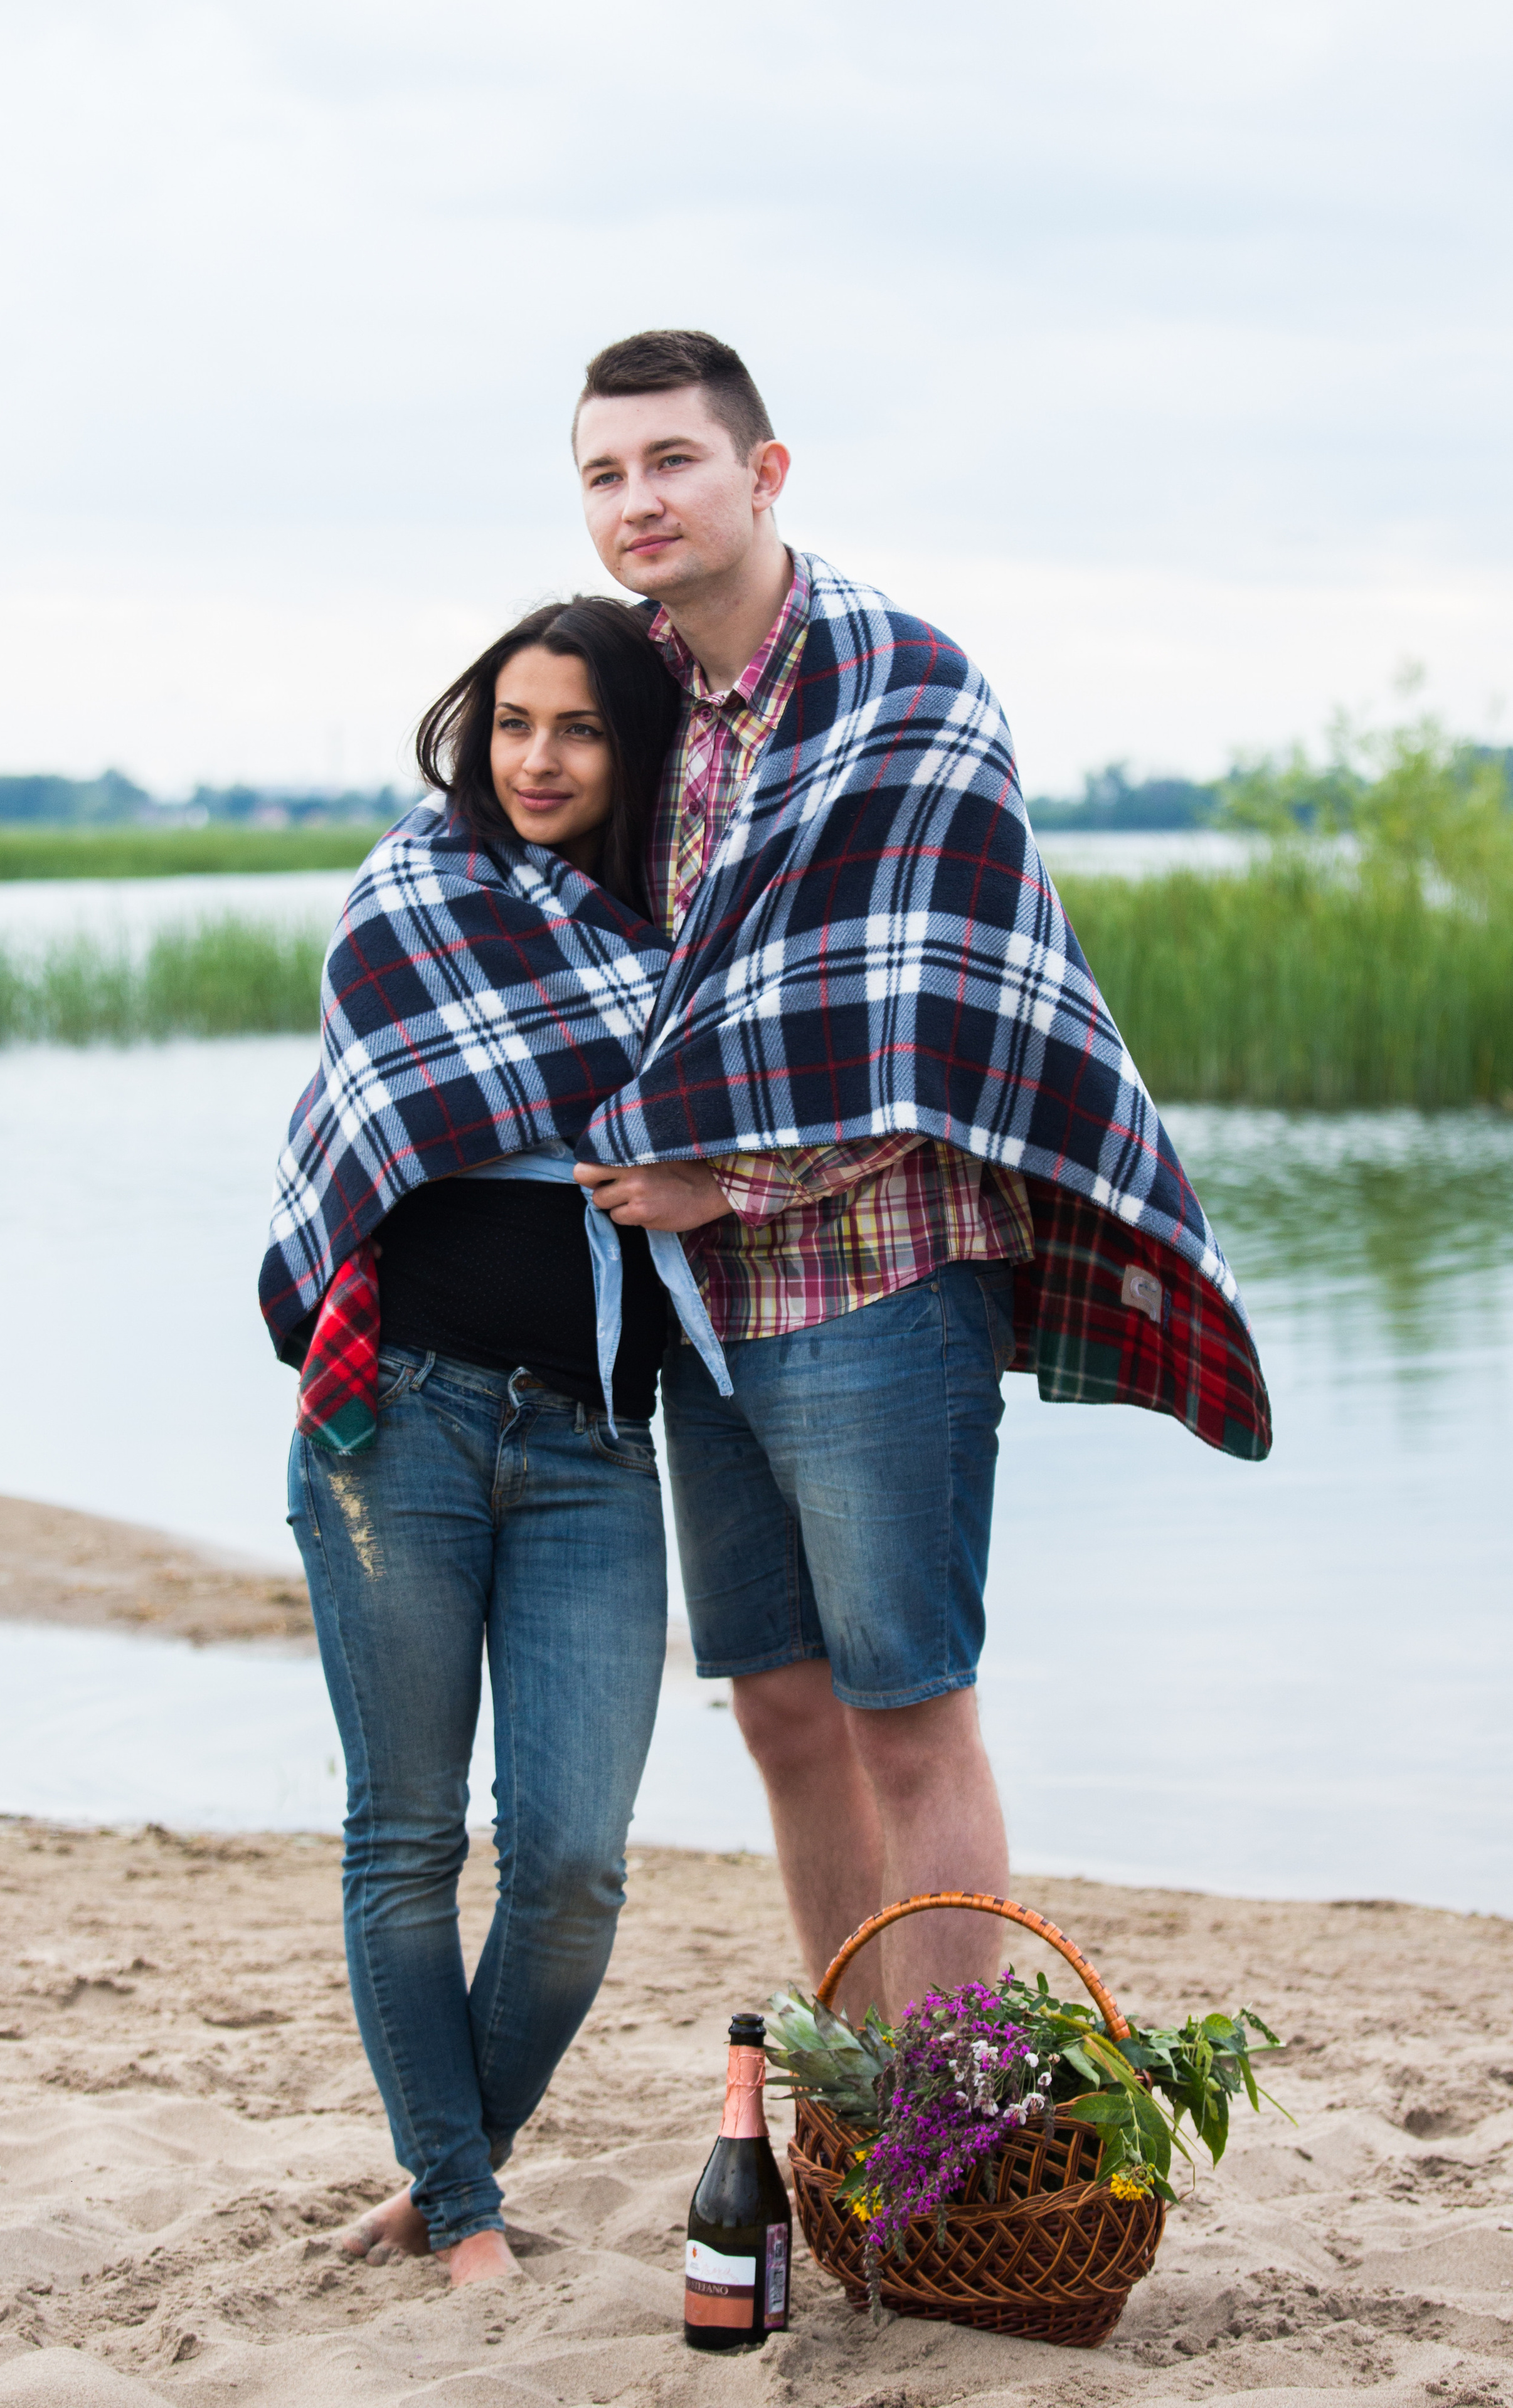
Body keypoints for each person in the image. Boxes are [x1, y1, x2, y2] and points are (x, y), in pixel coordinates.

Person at [561, 330, 1271, 2019]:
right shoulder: (620, 695)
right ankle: (859, 2093)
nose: (639, 499)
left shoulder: (906, 683)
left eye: (673, 460)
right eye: (604, 473)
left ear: (764, 473)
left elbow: (945, 1019)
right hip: (701, 1311)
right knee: (779, 1709)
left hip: (881, 1277)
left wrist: (734, 1182)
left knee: (908, 1716)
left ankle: (946, 2115)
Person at [260, 596, 728, 2286]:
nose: (538, 759)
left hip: (597, 1442)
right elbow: (365, 1130)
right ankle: (463, 2213)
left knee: (576, 1867)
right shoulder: (413, 892)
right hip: (404, 1419)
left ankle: (445, 2178)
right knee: (405, 1836)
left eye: (580, 728)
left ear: (635, 749)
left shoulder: (696, 929)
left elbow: (752, 1121)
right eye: (513, 723)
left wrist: (715, 1175)